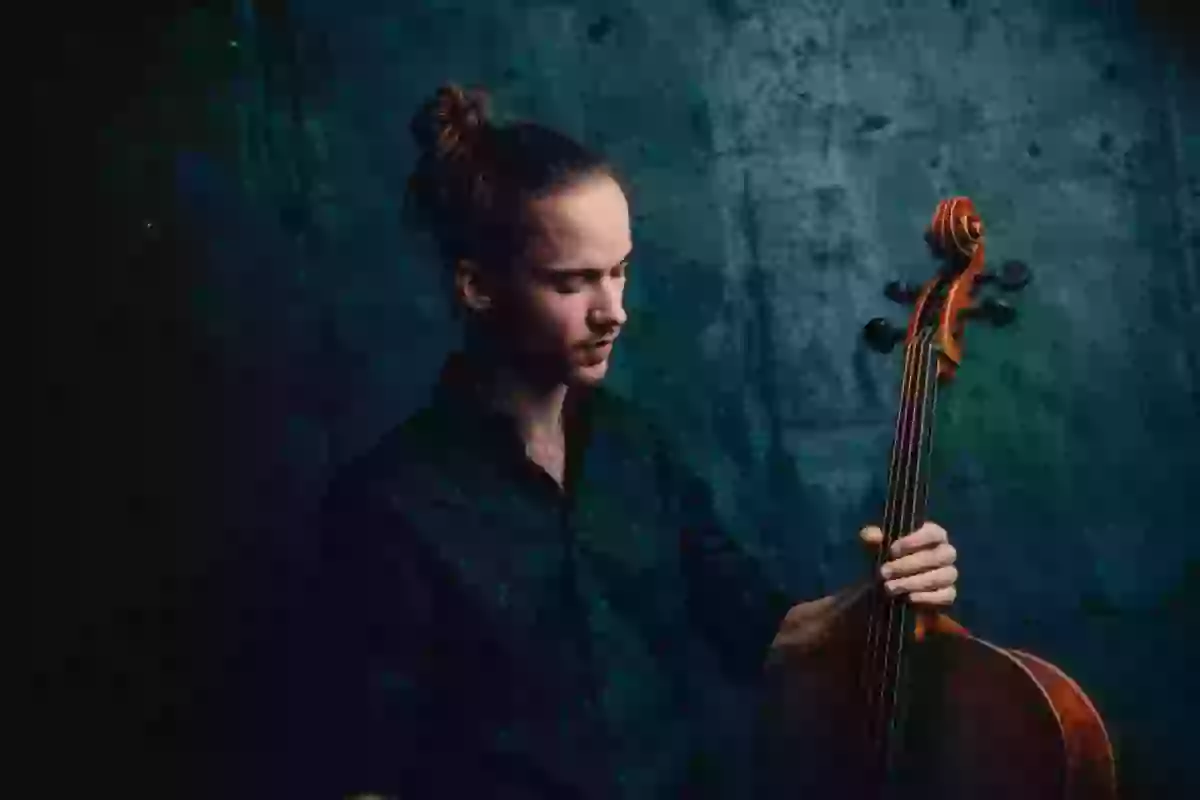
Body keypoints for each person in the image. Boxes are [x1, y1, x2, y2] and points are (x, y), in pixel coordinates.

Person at [309, 84, 959, 800]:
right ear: (477, 287)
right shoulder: (387, 506)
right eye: (573, 283)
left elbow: (760, 633)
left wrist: (884, 593)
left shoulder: (635, 448)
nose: (613, 312)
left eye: (619, 271)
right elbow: (367, 775)